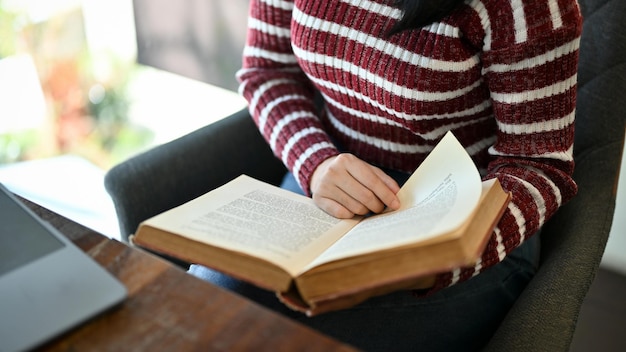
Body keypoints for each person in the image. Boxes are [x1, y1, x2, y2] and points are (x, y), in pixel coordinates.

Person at [189, 0, 582, 350]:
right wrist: (317, 163)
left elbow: (540, 164)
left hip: (466, 227)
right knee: (205, 292)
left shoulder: (526, 7)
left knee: (239, 327)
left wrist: (434, 263)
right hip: (330, 184)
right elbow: (266, 72)